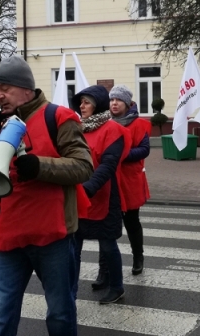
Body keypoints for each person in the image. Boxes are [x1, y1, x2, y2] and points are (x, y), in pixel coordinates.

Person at [0, 56, 93, 336]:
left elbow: (84, 165)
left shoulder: (58, 117)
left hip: (53, 235)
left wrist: (39, 166)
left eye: (4, 88)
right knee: (0, 317)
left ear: (26, 89)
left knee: (60, 313)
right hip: (8, 233)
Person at [71, 85, 131, 304]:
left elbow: (108, 165)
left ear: (97, 104)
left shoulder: (112, 129)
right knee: (74, 245)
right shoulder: (78, 128)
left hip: (103, 195)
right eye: (81, 102)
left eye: (86, 102)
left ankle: (117, 287)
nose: (82, 106)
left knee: (107, 245)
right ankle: (71, 288)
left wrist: (89, 187)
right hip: (79, 196)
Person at [106, 84, 151, 277]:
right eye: (112, 100)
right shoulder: (106, 122)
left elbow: (144, 149)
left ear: (127, 103)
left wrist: (120, 155)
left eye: (118, 100)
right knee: (107, 225)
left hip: (130, 180)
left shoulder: (139, 124)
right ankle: (106, 267)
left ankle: (138, 257)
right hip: (110, 180)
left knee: (132, 222)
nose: (114, 103)